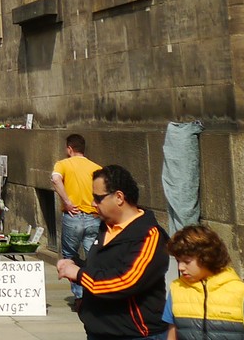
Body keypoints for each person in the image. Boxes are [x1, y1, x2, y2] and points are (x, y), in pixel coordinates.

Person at [56, 165, 169, 340]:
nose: (93, 203)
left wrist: (79, 274)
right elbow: (102, 268)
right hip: (98, 331)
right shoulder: (105, 228)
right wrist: (76, 265)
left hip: (134, 334)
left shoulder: (149, 234)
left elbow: (126, 281)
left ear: (119, 197)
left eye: (98, 198)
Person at [163, 224, 244, 340]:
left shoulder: (238, 292)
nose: (180, 267)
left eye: (187, 261)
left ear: (206, 257)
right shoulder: (176, 290)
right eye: (178, 261)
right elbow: (172, 336)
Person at [54, 134, 105, 307]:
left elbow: (55, 179)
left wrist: (67, 201)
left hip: (73, 215)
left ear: (69, 149)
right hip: (93, 216)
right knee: (94, 256)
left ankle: (79, 295)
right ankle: (94, 292)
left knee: (70, 256)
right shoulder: (96, 167)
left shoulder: (62, 164)